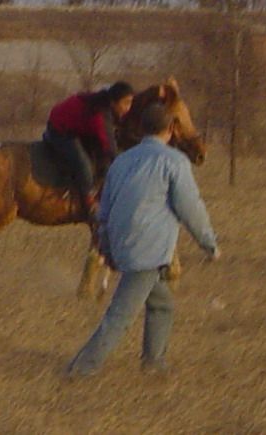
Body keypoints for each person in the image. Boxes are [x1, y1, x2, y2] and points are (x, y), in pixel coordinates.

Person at [66, 102, 220, 377]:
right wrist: (209, 244)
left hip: (121, 242)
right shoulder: (174, 162)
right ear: (171, 129)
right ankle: (81, 368)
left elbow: (105, 208)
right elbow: (190, 207)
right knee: (120, 315)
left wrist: (106, 244)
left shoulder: (122, 161)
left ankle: (154, 362)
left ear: (140, 128)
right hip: (148, 248)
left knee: (161, 303)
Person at [44, 81, 134, 213]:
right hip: (59, 130)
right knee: (83, 163)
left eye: (130, 103)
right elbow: (109, 148)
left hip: (78, 127)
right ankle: (89, 199)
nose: (128, 108)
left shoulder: (105, 103)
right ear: (114, 102)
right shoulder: (99, 115)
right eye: (126, 103)